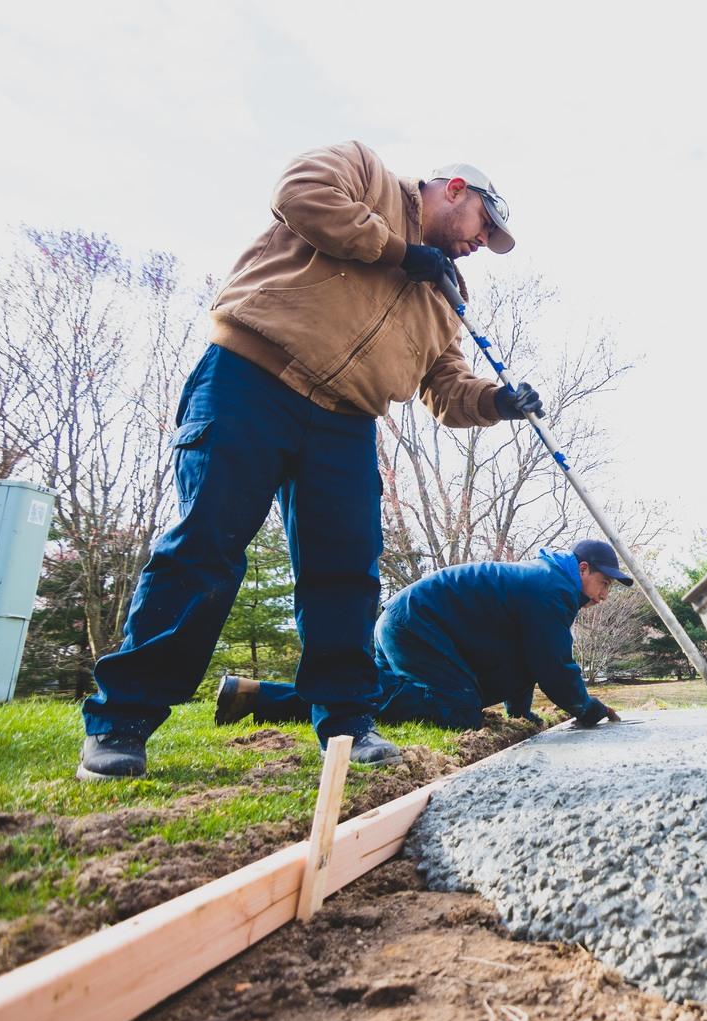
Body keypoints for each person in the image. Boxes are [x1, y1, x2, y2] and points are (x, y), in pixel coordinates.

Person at [78, 141, 545, 781]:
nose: (478, 245)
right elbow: (300, 197)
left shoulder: (442, 289)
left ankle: (348, 724)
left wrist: (497, 401)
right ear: (456, 190)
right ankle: (121, 721)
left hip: (346, 420)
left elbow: (445, 385)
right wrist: (401, 253)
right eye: (482, 229)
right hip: (252, 375)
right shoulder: (363, 171)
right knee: (204, 546)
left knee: (346, 573)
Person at [214, 540, 628, 733]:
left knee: (371, 695)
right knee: (457, 710)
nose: (605, 596)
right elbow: (552, 663)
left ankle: (256, 696)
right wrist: (584, 707)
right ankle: (271, 696)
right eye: (605, 584)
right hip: (415, 624)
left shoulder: (546, 585)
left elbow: (525, 659)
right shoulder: (552, 588)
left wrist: (519, 712)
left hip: (412, 621)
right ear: (584, 568)